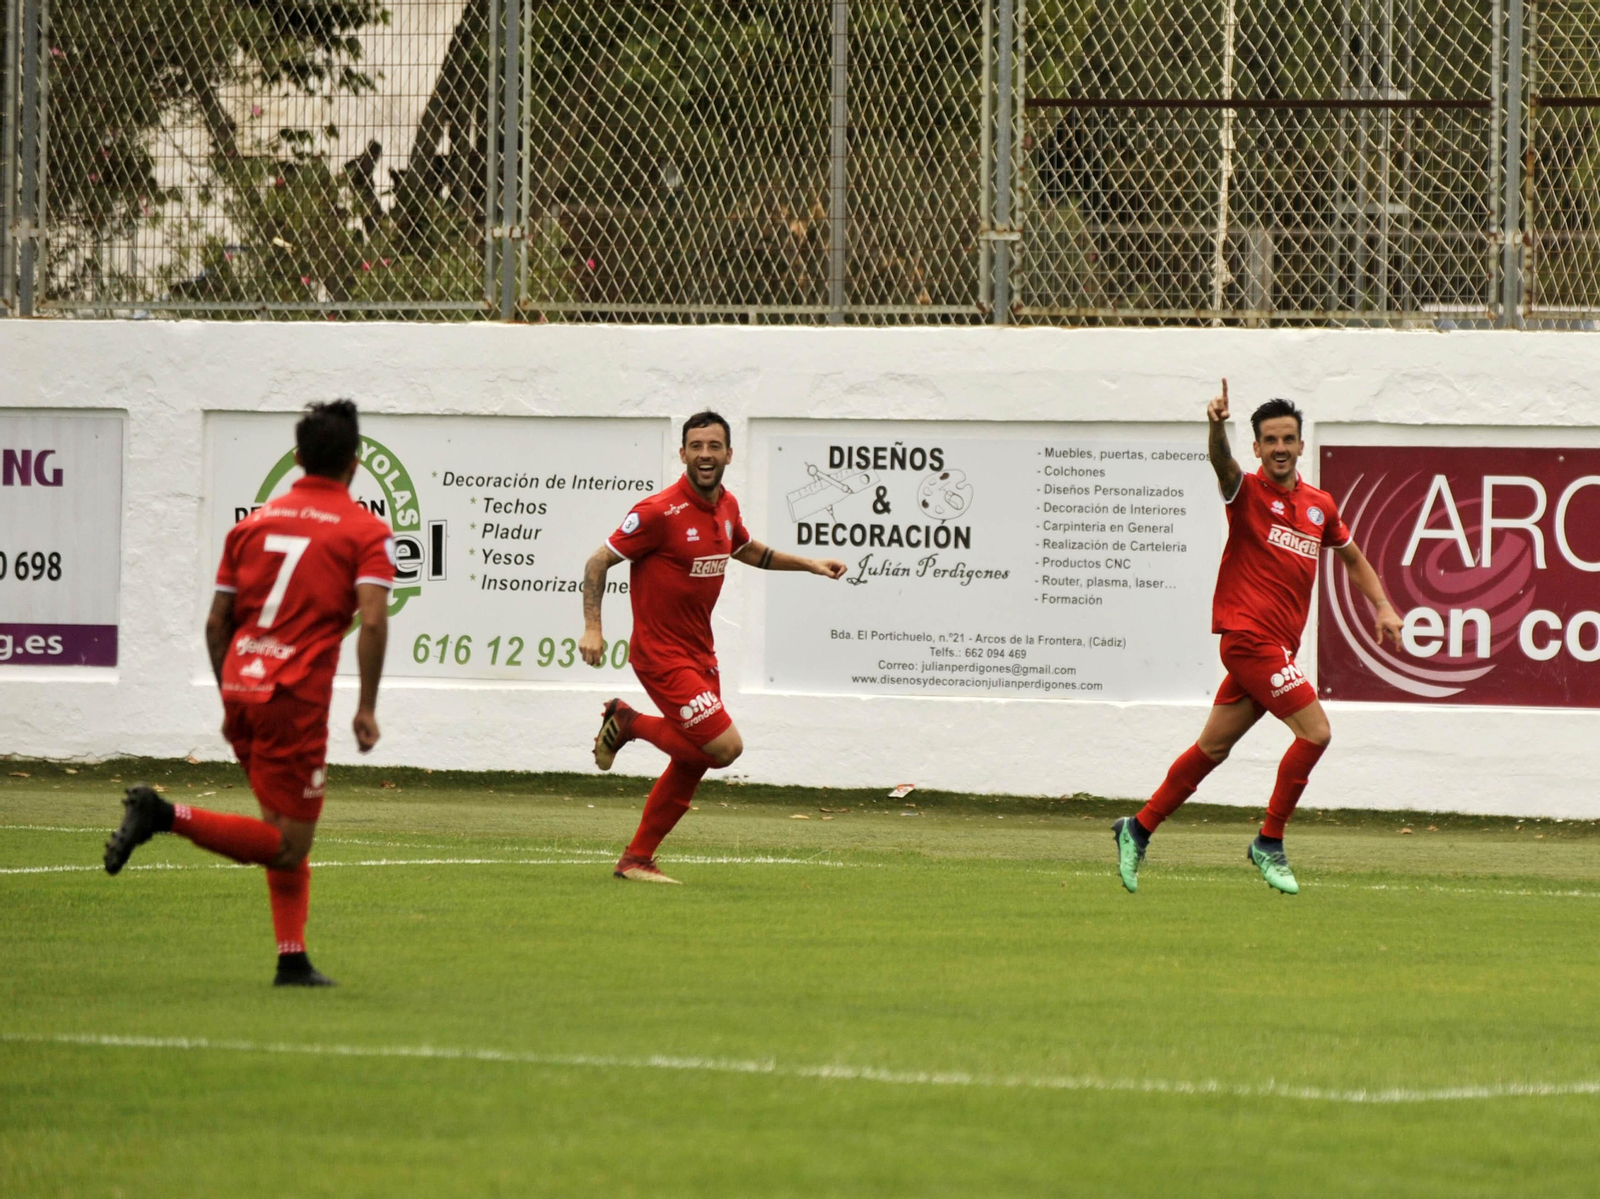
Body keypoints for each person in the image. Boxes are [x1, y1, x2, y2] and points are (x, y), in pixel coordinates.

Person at [104, 400, 394, 985]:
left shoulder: (251, 525)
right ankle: (164, 814)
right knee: (288, 843)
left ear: (297, 457)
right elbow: (375, 619)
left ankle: (292, 958)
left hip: (241, 682)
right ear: (355, 463)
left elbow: (216, 624)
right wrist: (365, 707)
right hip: (294, 698)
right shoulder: (367, 530)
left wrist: (230, 693)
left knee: (278, 828)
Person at [1112, 381, 1403, 895]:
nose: (1280, 448)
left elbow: (1353, 559)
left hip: (1275, 650)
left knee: (1212, 748)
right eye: (1270, 440)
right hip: (1248, 640)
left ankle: (1138, 827)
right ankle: (1269, 840)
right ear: (1257, 448)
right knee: (1315, 732)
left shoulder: (1320, 506)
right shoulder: (1245, 492)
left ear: (1301, 446)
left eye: (1288, 439)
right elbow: (1220, 465)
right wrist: (1215, 424)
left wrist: (1381, 605)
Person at [580, 411, 847, 884]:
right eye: (696, 446)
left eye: (714, 446)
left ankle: (636, 859)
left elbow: (746, 550)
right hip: (661, 655)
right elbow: (598, 562)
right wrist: (593, 628)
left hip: (702, 654)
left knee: (692, 761)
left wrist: (808, 564)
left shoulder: (727, 506)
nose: (706, 455)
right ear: (682, 453)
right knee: (724, 748)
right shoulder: (658, 511)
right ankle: (628, 721)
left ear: (729, 453)